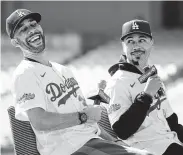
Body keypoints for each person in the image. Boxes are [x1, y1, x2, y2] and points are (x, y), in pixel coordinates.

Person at [7, 9, 153, 155]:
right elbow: (39, 121)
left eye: (33, 25)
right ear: (15, 42)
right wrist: (82, 117)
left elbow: (89, 121)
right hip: (68, 150)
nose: (31, 30)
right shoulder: (24, 73)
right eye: (23, 29)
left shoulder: (63, 70)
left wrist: (114, 141)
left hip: (91, 142)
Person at [105, 19, 183, 155]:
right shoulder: (117, 82)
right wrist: (146, 96)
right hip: (147, 150)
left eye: (142, 40)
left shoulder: (151, 74)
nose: (136, 46)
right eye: (130, 41)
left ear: (151, 43)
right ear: (123, 45)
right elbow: (122, 130)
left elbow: (172, 121)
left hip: (170, 143)